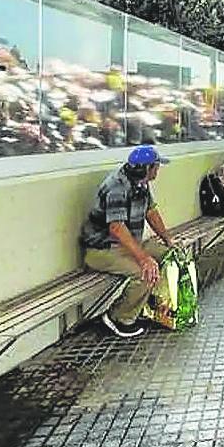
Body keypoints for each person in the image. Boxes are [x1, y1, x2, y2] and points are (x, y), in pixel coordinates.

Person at [80, 145, 179, 339]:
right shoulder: (116, 186)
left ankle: (149, 308)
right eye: (156, 166)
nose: (158, 170)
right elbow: (116, 228)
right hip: (102, 249)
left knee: (168, 255)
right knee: (145, 273)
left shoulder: (141, 183)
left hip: (126, 244)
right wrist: (143, 259)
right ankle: (117, 318)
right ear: (146, 168)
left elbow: (151, 211)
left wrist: (168, 240)